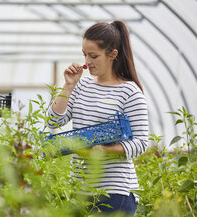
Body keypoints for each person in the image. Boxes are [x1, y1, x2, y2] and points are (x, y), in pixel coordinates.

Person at [48, 21, 148, 216]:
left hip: (114, 192)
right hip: (79, 189)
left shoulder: (130, 92)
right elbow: (53, 121)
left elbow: (141, 143)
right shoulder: (81, 85)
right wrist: (68, 86)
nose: (87, 61)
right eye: (85, 54)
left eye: (93, 56)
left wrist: (104, 150)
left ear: (113, 55)